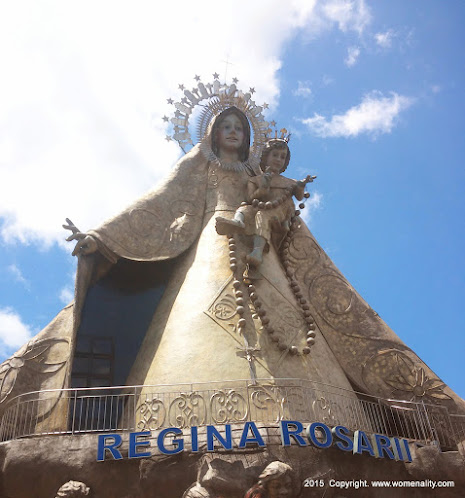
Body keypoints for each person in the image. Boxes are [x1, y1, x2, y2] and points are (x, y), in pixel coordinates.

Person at [215, 138, 315, 268]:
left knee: (262, 216)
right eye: (275, 155)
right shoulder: (255, 180)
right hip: (263, 206)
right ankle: (238, 222)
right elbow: (250, 198)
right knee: (244, 208)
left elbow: (300, 197)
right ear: (265, 157)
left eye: (282, 157)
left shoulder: (290, 182)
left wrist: (301, 185)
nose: (278, 159)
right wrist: (263, 188)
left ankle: (257, 252)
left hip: (281, 210)